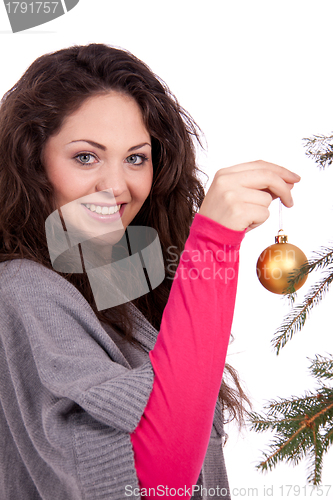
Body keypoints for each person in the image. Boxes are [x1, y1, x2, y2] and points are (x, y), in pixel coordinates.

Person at [0, 43, 300, 500]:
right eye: (86, 157)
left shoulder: (117, 284)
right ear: (32, 161)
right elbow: (149, 483)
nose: (116, 187)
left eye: (136, 157)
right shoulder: (21, 290)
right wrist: (212, 244)